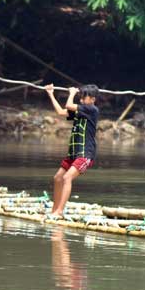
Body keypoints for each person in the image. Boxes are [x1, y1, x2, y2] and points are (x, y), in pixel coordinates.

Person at [44, 83, 100, 219]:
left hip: (85, 153)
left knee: (67, 177)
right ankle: (54, 210)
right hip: (74, 153)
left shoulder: (92, 110)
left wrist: (72, 93)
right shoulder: (80, 112)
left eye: (83, 98)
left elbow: (69, 105)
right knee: (57, 178)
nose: (81, 100)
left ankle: (59, 212)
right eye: (80, 97)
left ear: (92, 99)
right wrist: (50, 93)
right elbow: (61, 112)